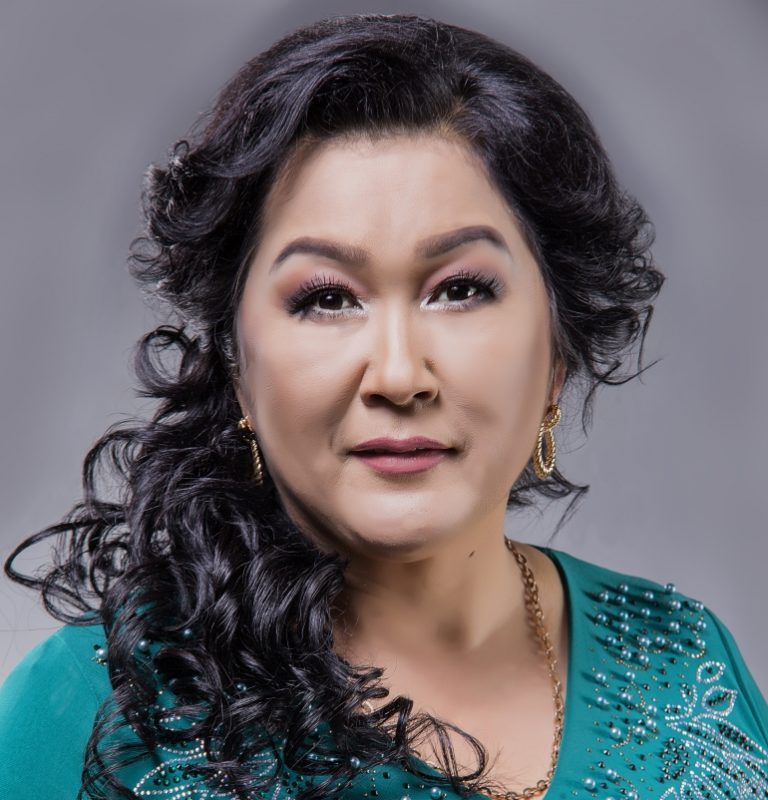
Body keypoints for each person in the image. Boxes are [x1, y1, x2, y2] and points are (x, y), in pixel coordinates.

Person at [1, 11, 766, 800]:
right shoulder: (99, 708)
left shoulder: (686, 665)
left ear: (558, 351)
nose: (399, 376)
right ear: (237, 365)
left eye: (460, 290)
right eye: (328, 298)